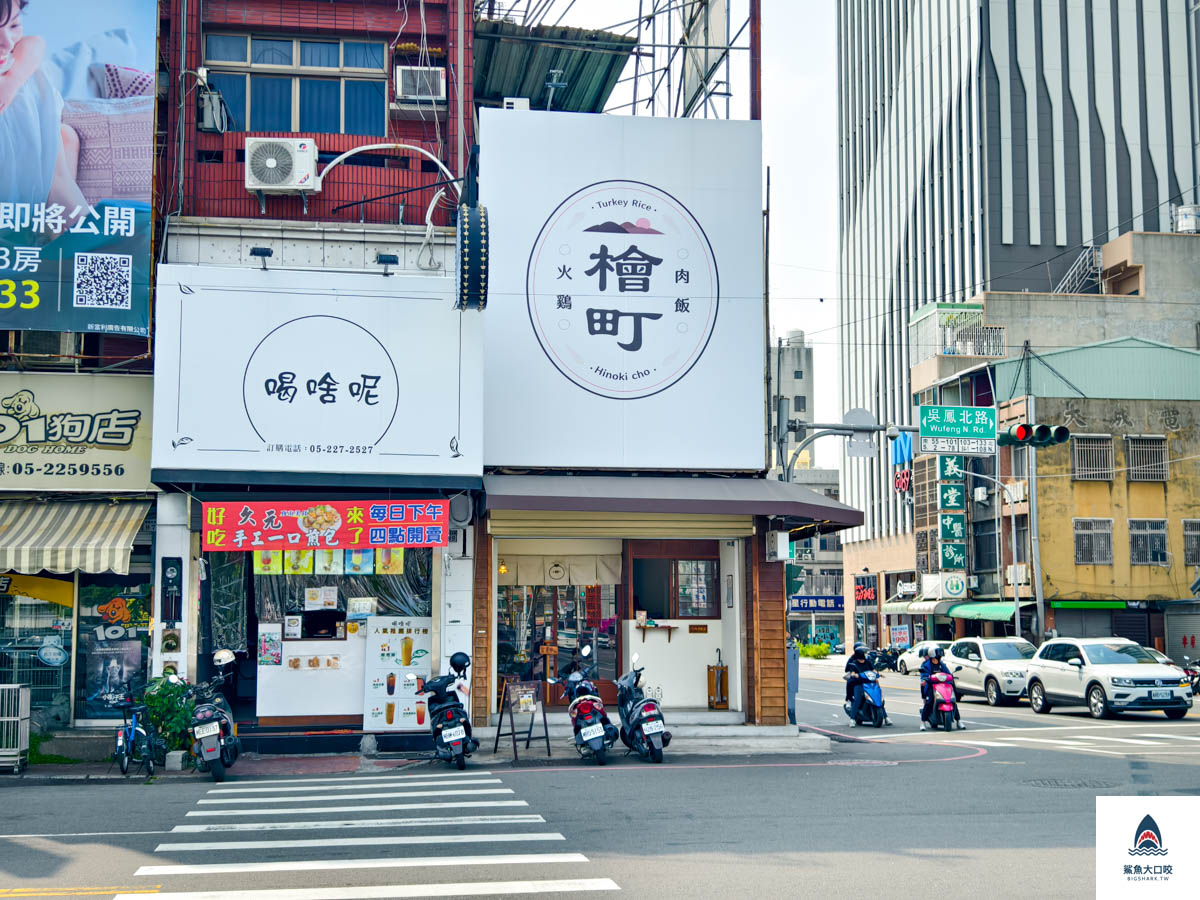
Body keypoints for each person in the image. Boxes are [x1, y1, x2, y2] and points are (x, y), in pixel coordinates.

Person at [0, 0, 86, 216]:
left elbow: (34, 42)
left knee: (66, 136)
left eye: (14, 25)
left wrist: (12, 82)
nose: (8, 43)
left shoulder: (21, 73)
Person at [844, 642, 892, 726]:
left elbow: (873, 670)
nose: (864, 654)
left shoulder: (868, 661)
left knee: (878, 698)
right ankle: (852, 719)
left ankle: (886, 717)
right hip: (859, 683)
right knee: (857, 699)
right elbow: (851, 672)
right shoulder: (854, 662)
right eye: (862, 652)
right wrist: (854, 675)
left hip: (870, 683)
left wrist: (878, 674)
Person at [920, 645, 964, 730]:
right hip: (932, 686)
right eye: (937, 655)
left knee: (952, 700)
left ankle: (958, 721)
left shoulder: (941, 665)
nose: (938, 657)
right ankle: (923, 722)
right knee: (930, 701)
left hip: (943, 686)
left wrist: (950, 676)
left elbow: (947, 673)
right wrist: (925, 679)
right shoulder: (926, 665)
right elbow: (924, 674)